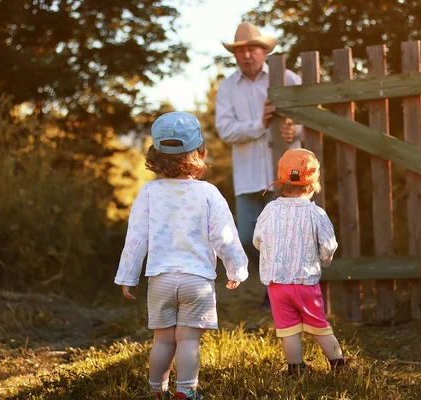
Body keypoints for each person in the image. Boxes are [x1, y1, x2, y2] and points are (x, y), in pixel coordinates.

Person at [114, 111, 249, 400]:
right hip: (196, 281)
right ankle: (186, 392)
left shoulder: (149, 192)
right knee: (188, 339)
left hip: (161, 279)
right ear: (200, 152)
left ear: (155, 155)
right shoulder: (209, 193)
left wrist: (128, 275)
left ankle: (156, 391)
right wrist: (236, 268)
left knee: (162, 340)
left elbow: (137, 239)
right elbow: (224, 235)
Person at [216, 22, 304, 308]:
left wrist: (295, 130)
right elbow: (225, 130)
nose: (247, 55)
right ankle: (273, 284)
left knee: (285, 234)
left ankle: (278, 294)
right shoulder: (227, 88)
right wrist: (260, 124)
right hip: (247, 174)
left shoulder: (288, 78)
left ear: (264, 51)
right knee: (246, 236)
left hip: (284, 174)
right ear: (235, 55)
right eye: (240, 50)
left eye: (253, 48)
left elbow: (308, 118)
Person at [252, 148, 348, 375]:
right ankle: (339, 363)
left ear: (281, 180)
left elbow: (257, 240)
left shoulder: (269, 210)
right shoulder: (316, 213)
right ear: (314, 183)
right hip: (305, 282)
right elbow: (329, 245)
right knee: (319, 326)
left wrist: (271, 252)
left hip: (276, 284)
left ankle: (295, 369)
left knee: (288, 330)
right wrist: (324, 261)